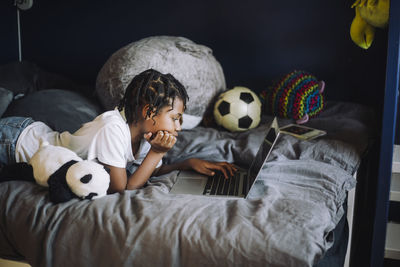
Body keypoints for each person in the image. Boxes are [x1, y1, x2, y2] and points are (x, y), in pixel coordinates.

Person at [0, 69, 236, 193]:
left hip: (32, 137)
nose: (178, 127)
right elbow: (121, 188)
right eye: (174, 118)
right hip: (16, 143)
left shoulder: (145, 135)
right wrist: (157, 152)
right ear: (148, 112)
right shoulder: (113, 129)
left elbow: (146, 172)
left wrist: (187, 164)